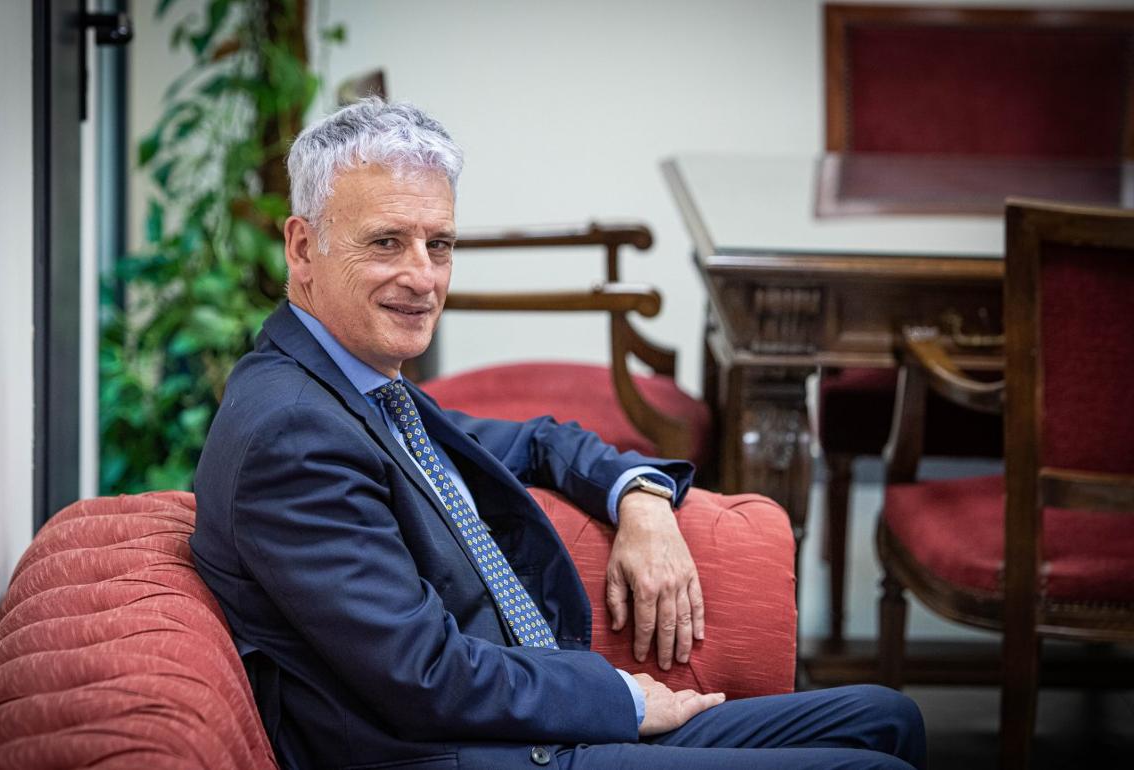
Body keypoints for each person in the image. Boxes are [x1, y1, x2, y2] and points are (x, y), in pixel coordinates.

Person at [190, 98, 925, 770]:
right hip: (463, 754)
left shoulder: (359, 386)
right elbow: (424, 677)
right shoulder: (294, 433)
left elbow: (534, 440)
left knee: (886, 719)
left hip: (524, 724)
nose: (424, 278)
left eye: (439, 245)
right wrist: (622, 700)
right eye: (387, 243)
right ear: (301, 246)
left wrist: (638, 497)